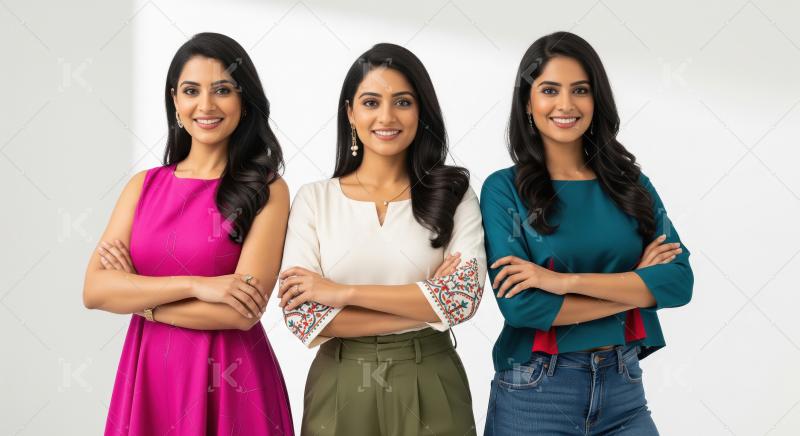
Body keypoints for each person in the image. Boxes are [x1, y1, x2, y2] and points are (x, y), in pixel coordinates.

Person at [481, 31, 693, 435]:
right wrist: (636, 289)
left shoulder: (631, 185)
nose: (566, 104)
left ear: (597, 100)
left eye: (580, 89)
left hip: (623, 391)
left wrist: (563, 283)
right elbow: (523, 308)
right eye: (549, 90)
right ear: (528, 101)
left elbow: (679, 283)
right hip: (536, 394)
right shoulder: (502, 189)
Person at [83, 32, 294, 435]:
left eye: (222, 90)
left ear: (244, 101)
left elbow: (240, 313)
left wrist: (140, 298)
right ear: (176, 103)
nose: (206, 105)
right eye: (191, 91)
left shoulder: (267, 189)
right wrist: (198, 285)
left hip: (233, 382)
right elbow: (95, 290)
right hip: (148, 376)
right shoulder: (142, 186)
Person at [278, 43, 486, 436]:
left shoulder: (453, 193)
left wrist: (339, 293)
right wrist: (427, 304)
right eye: (371, 102)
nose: (386, 117)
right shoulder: (314, 199)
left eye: (403, 102)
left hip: (431, 377)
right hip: (340, 383)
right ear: (350, 113)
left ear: (421, 110)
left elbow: (461, 299)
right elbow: (302, 316)